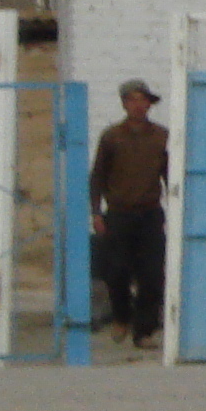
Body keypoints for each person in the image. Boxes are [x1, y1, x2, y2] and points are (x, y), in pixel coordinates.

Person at [89, 78, 168, 347]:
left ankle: (144, 331)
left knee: (152, 275)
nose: (138, 105)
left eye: (143, 100)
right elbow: (98, 176)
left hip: (150, 213)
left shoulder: (162, 136)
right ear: (124, 103)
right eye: (132, 99)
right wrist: (96, 213)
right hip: (119, 214)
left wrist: (176, 211)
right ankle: (122, 317)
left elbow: (170, 174)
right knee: (117, 272)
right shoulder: (111, 137)